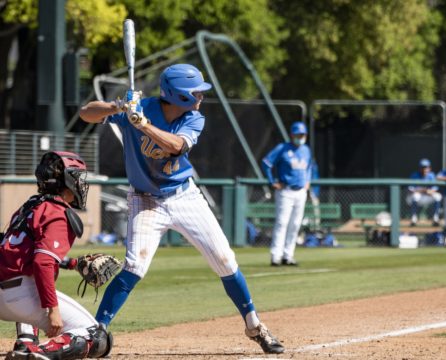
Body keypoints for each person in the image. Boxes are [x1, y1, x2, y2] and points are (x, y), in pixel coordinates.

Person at [79, 64, 284, 354]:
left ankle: (255, 327)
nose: (200, 95)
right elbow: (85, 113)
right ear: (177, 94)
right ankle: (95, 332)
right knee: (135, 266)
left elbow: (176, 146)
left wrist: (143, 125)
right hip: (145, 199)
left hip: (184, 196)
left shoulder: (194, 118)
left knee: (225, 260)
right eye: (195, 91)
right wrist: (118, 106)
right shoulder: (139, 109)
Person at [0, 151, 112, 360]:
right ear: (68, 180)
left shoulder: (28, 207)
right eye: (78, 178)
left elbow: (20, 252)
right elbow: (42, 263)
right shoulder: (57, 211)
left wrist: (72, 263)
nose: (81, 184)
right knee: (98, 337)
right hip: (20, 296)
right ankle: (39, 353)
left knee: (31, 281)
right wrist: (52, 310)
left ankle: (25, 341)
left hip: (5, 296)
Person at [261, 122, 312, 266]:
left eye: (302, 135)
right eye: (298, 134)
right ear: (292, 135)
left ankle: (288, 255)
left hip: (300, 192)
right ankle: (275, 256)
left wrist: (307, 181)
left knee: (295, 224)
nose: (300, 137)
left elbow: (309, 167)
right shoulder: (282, 148)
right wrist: (272, 181)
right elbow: (266, 163)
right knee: (282, 223)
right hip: (285, 191)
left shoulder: (306, 150)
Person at [406, 158, 442, 226]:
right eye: (423, 167)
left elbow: (435, 188)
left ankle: (435, 218)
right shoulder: (414, 175)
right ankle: (413, 218)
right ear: (419, 168)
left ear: (429, 168)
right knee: (415, 195)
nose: (424, 169)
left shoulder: (431, 175)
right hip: (416, 198)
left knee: (438, 196)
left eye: (426, 167)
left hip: (427, 197)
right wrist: (424, 190)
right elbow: (410, 189)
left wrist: (431, 191)